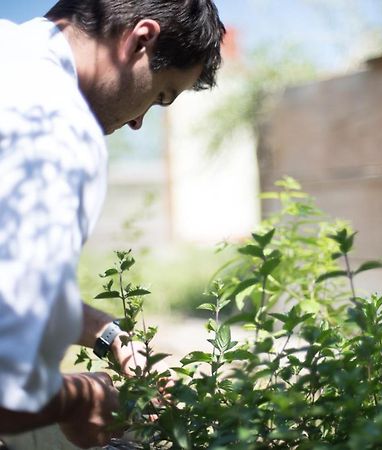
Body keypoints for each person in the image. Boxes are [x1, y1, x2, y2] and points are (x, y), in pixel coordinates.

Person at [0, 0, 225, 448]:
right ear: (141, 40)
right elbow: (12, 395)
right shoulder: (56, 127)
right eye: (161, 94)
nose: (140, 122)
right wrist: (83, 400)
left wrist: (105, 332)